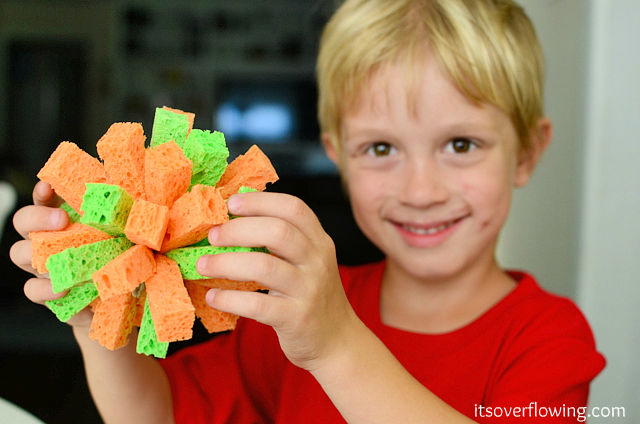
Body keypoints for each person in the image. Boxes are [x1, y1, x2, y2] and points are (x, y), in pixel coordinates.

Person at [10, 0, 605, 422]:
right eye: (380, 148)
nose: (421, 189)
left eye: (461, 145)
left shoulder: (549, 339)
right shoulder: (292, 307)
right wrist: (95, 326)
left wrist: (337, 346)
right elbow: (157, 416)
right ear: (337, 155)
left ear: (527, 153)